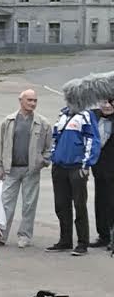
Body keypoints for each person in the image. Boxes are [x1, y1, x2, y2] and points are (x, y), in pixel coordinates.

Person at [0, 89, 53, 249]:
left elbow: (49, 146)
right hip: (11, 169)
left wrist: (43, 161)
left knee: (29, 204)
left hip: (31, 170)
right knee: (6, 204)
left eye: (35, 100)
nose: (33, 103)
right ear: (20, 100)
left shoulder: (43, 123)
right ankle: (1, 235)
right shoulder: (8, 121)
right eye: (29, 100)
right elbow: (1, 145)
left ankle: (25, 235)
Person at [48, 103, 100, 256]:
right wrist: (53, 156)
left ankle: (82, 243)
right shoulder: (62, 114)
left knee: (79, 204)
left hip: (76, 166)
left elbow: (92, 139)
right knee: (61, 204)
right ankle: (65, 240)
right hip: (59, 165)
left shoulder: (86, 116)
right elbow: (55, 136)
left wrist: (86, 164)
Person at [95, 100, 114, 253]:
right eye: (104, 102)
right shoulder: (95, 118)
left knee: (112, 203)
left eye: (111, 102)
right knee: (100, 202)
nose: (107, 106)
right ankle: (103, 235)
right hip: (99, 170)